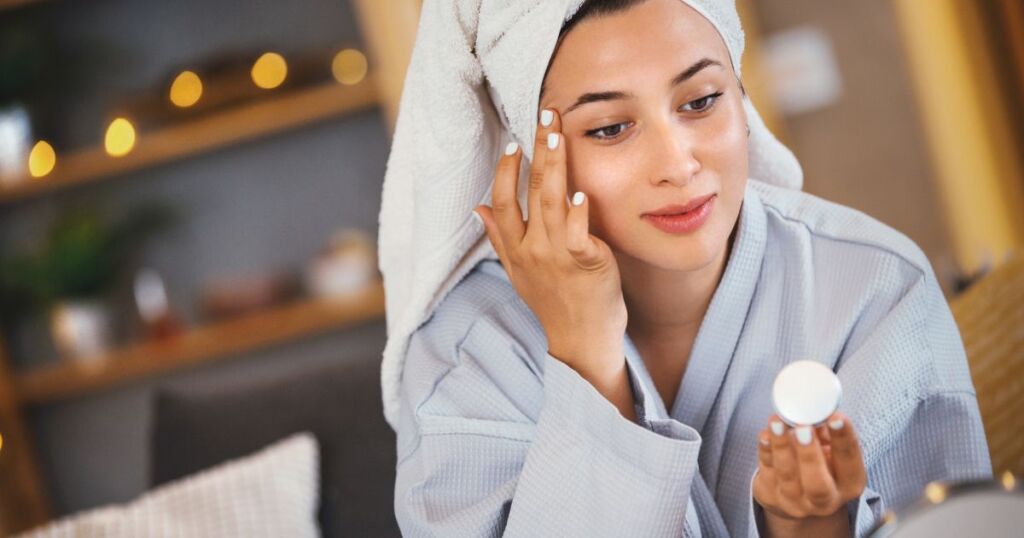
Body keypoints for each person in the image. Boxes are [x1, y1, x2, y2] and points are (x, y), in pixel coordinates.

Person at [386, 0, 992, 536]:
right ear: (530, 156)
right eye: (610, 127)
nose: (678, 163)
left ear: (742, 96)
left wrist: (814, 528)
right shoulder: (469, 354)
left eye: (701, 101)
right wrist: (584, 356)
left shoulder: (874, 288)